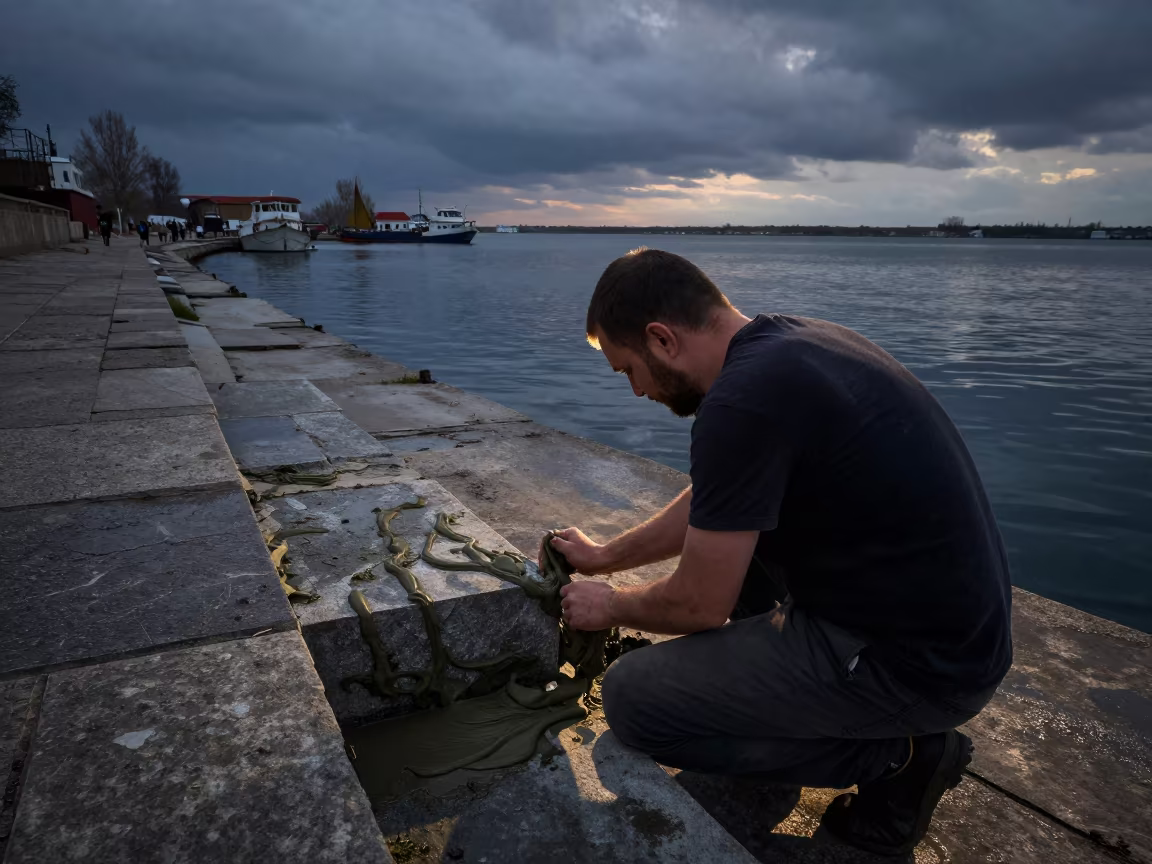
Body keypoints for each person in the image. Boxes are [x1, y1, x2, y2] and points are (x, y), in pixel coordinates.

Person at [553, 248, 1012, 857]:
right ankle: (802, 709)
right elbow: (718, 500)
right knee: (745, 546)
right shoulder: (794, 344)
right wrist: (604, 556)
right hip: (952, 636)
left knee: (634, 701)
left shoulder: (739, 404)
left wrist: (608, 605)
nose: (636, 391)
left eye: (627, 370)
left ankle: (901, 758)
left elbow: (698, 606)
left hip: (913, 668)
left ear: (661, 338)